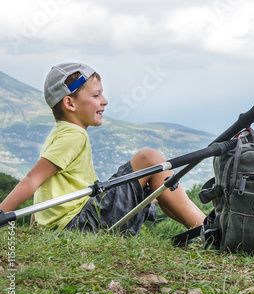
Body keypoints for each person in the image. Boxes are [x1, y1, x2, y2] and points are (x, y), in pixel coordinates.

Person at [0, 62, 206, 235]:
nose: (105, 101)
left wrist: (36, 227)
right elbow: (32, 179)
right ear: (70, 103)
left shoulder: (59, 133)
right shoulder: (74, 135)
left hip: (75, 222)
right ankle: (208, 229)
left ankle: (201, 227)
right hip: (82, 224)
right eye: (96, 95)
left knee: (153, 179)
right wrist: (2, 213)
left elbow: (45, 185)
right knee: (149, 159)